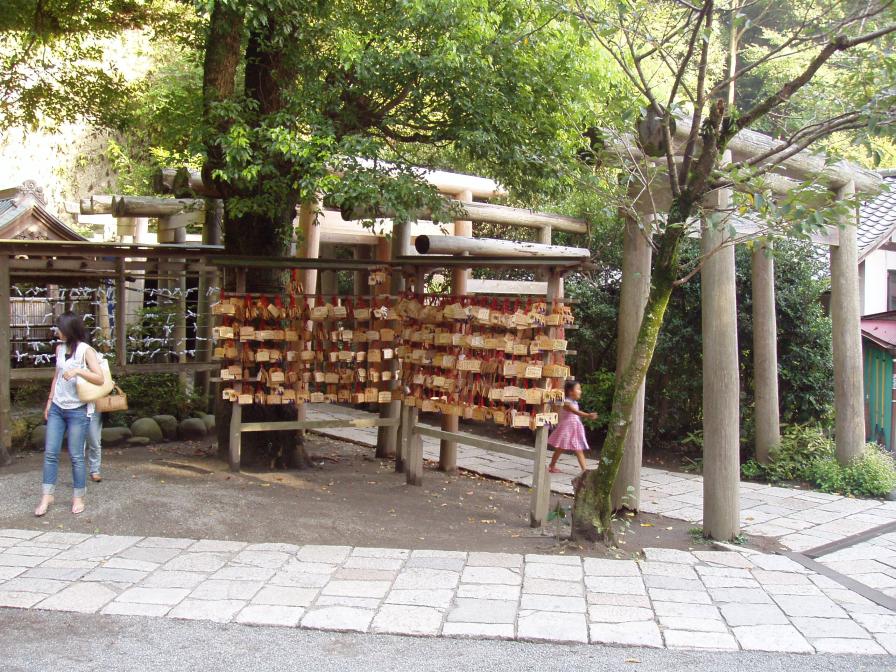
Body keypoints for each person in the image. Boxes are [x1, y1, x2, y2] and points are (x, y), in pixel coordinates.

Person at [35, 312, 105, 516]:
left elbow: (99, 378)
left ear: (70, 330)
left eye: (60, 328)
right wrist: (49, 402)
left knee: (76, 455)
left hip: (77, 409)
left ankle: (78, 497)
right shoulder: (59, 349)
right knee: (50, 453)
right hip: (58, 407)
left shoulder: (86, 350)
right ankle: (47, 495)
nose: (58, 332)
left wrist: (78, 371)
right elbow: (56, 377)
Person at [547, 379, 596, 474]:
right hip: (566, 429)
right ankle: (552, 466)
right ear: (570, 391)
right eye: (578, 389)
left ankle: (584, 471)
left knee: (578, 449)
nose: (580, 391)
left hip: (574, 429)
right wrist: (588, 415)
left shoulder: (574, 402)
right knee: (561, 448)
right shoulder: (566, 402)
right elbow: (575, 412)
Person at [86, 411, 102, 482]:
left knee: (95, 442)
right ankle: (77, 471)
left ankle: (95, 471)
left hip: (94, 408)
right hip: (74, 406)